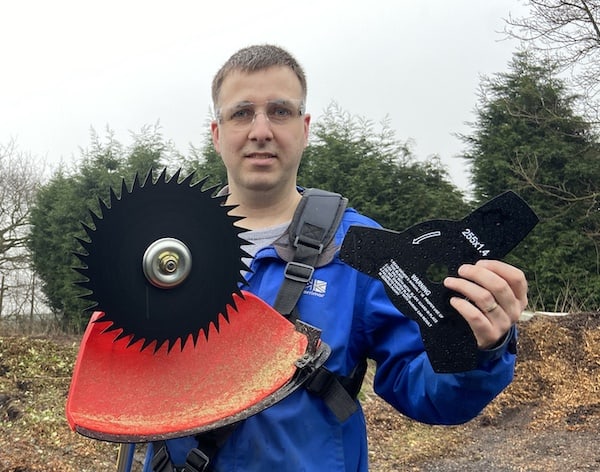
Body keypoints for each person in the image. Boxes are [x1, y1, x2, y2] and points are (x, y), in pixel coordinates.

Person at [142, 44, 527, 472]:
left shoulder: (360, 251)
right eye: (241, 113)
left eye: (281, 111)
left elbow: (426, 390)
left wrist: (479, 350)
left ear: (305, 128)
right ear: (217, 133)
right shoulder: (163, 247)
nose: (261, 130)